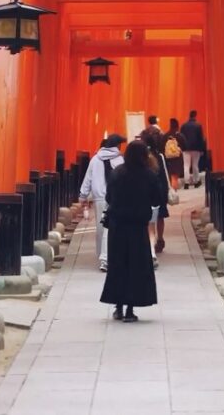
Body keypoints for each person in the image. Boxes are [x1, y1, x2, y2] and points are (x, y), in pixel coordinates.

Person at [100, 140, 165, 322]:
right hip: (137, 227)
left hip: (117, 226)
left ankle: (118, 306)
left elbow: (109, 197)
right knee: (136, 266)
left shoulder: (117, 173)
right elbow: (156, 199)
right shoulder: (149, 175)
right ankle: (130, 309)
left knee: (118, 265)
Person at [79, 134, 127, 272]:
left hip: (99, 197)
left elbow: (88, 178)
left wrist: (83, 195)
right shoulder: (121, 160)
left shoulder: (95, 159)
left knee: (101, 228)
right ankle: (112, 255)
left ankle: (102, 256)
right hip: (117, 199)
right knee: (115, 228)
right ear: (117, 146)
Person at [139, 124, 172, 256]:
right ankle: (160, 238)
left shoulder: (142, 157)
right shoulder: (160, 156)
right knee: (160, 215)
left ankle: (148, 240)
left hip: (145, 189)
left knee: (147, 216)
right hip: (159, 188)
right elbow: (163, 172)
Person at [181, 110, 206, 188]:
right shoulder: (198, 126)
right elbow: (200, 138)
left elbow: (181, 137)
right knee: (195, 165)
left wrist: (182, 147)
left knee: (186, 166)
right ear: (195, 116)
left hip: (186, 148)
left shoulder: (183, 126)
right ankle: (196, 181)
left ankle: (186, 183)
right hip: (196, 148)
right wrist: (202, 149)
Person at [163, 118, 188, 190]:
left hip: (168, 159)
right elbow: (185, 146)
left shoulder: (165, 135)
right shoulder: (180, 135)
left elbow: (161, 146)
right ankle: (174, 192)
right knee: (175, 177)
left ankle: (172, 190)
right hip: (177, 158)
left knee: (172, 176)